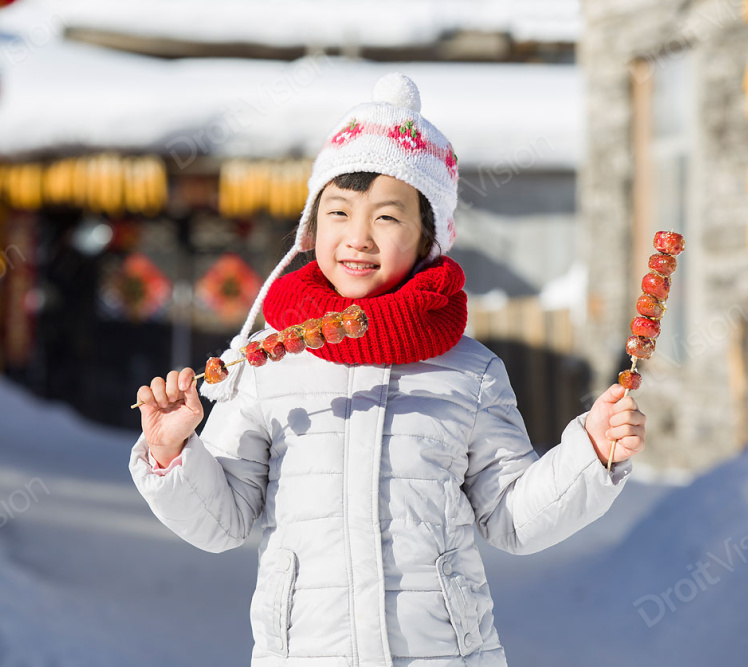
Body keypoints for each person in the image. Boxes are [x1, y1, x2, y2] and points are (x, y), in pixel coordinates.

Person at [129, 73, 645, 666]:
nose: (357, 237)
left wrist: (591, 454)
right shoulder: (270, 364)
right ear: (311, 228)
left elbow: (512, 518)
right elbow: (223, 522)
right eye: (339, 211)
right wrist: (173, 456)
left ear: (428, 235)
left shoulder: (468, 373)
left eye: (387, 218)